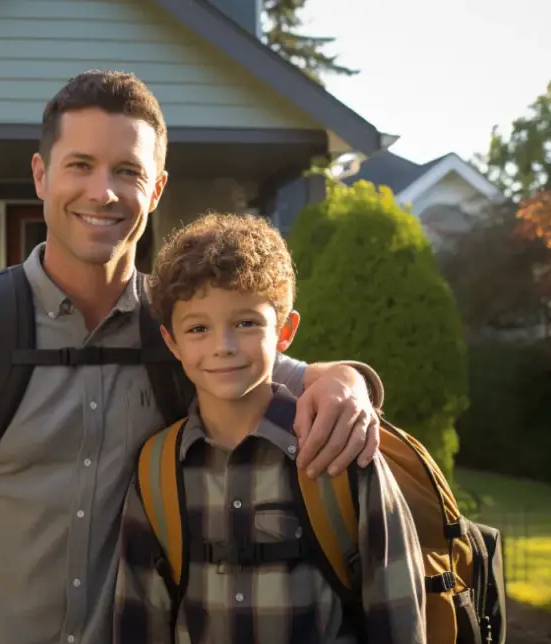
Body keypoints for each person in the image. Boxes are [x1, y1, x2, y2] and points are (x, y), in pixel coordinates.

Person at [0, 70, 388, 644]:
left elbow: (282, 372)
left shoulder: (186, 337)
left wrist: (346, 379)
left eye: (128, 171)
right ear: (41, 176)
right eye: (80, 165)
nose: (103, 192)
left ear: (157, 189)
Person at [112, 212, 426, 643]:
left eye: (246, 323)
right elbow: (140, 623)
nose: (222, 347)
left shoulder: (338, 449)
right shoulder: (156, 471)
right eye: (198, 328)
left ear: (285, 330)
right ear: (173, 343)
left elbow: (399, 615)